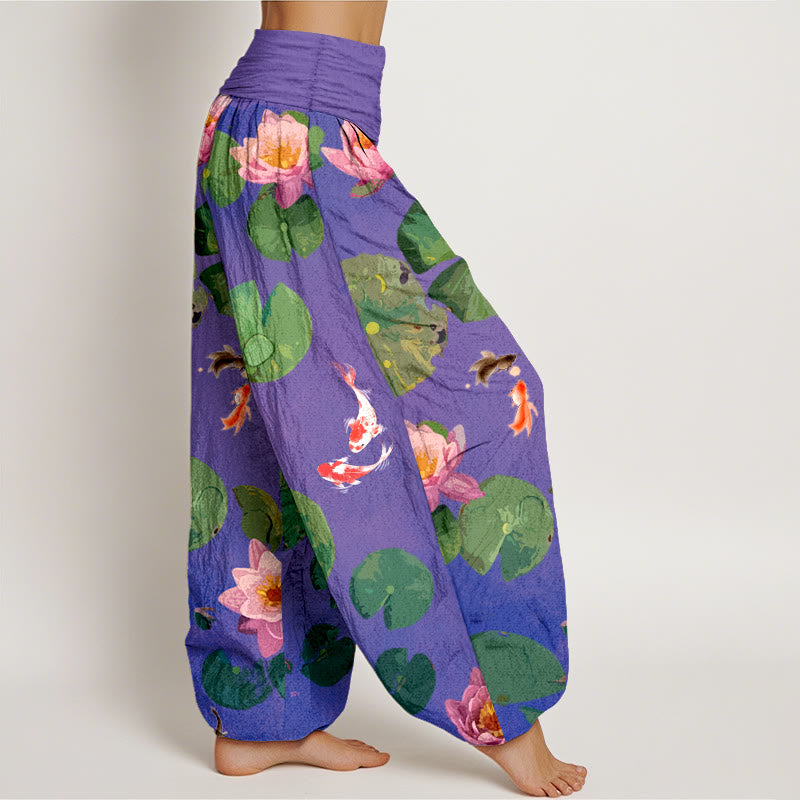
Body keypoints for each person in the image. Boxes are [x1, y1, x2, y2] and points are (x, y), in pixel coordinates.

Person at [185, 2, 588, 796]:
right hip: (294, 130)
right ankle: (501, 713)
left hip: (283, 123)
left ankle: (264, 718)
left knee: (266, 433)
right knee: (489, 397)